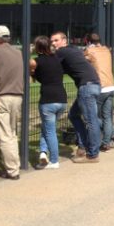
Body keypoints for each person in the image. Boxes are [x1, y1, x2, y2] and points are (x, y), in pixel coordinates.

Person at [51, 31, 102, 163]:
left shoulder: (61, 52)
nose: (53, 44)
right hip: (93, 84)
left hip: (86, 87)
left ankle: (93, 154)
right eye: (52, 41)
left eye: (56, 40)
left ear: (64, 41)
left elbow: (50, 66)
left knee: (91, 121)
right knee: (73, 115)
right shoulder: (73, 50)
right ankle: (82, 146)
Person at [0, 25, 23, 179]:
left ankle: (12, 170)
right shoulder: (18, 52)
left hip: (2, 96)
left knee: (4, 135)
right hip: (17, 96)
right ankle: (15, 165)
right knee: (13, 133)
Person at [30, 36, 67, 169]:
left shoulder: (36, 61)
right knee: (47, 128)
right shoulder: (57, 60)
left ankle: (54, 160)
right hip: (62, 99)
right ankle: (43, 153)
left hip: (48, 100)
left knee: (50, 131)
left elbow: (29, 66)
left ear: (37, 47)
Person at [85, 33, 114, 151]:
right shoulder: (106, 50)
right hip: (111, 86)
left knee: (93, 116)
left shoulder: (90, 51)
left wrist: (88, 49)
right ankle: (106, 142)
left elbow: (81, 59)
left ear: (89, 42)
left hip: (100, 87)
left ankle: (113, 132)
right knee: (107, 117)